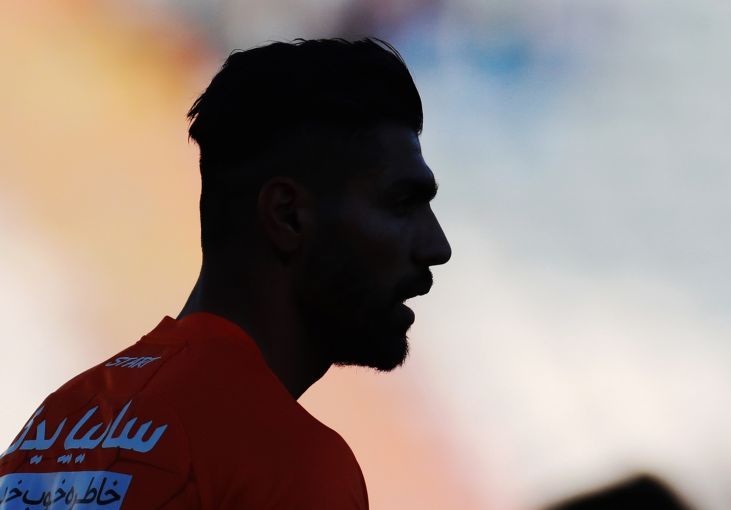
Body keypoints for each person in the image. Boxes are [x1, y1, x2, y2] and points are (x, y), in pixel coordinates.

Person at [0, 38, 451, 509]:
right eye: (403, 204)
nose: (437, 247)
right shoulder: (287, 465)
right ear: (288, 215)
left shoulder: (47, 434)